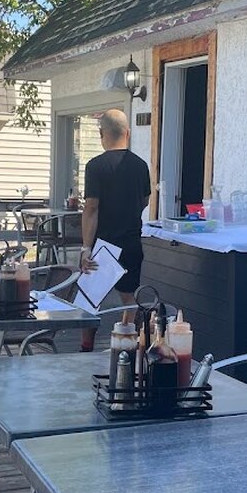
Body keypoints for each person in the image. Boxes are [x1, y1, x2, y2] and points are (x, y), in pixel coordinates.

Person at [79, 108, 150, 351]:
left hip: (104, 244)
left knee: (89, 299)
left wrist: (86, 247)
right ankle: (124, 346)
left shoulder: (95, 166)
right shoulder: (141, 166)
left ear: (102, 134)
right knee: (129, 299)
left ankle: (86, 348)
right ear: (127, 133)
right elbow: (145, 200)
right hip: (131, 241)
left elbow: (91, 207)